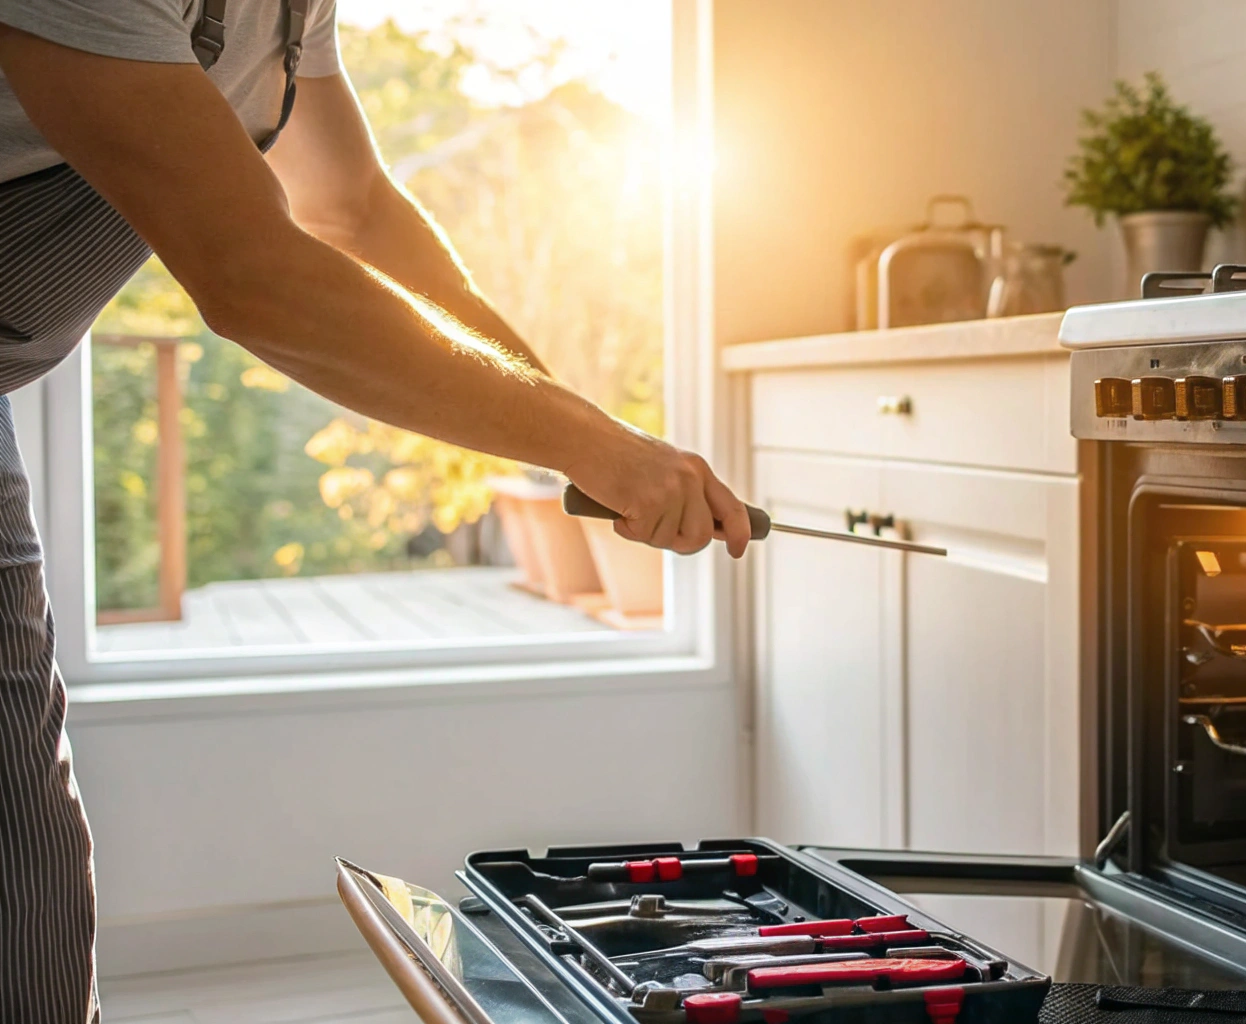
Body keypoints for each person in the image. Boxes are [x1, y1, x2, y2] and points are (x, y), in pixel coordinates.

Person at [0, 2, 750, 1019]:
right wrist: (594, 448)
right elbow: (253, 273)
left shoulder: (292, 14)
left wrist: (581, 432)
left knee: (25, 873)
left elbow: (352, 207)